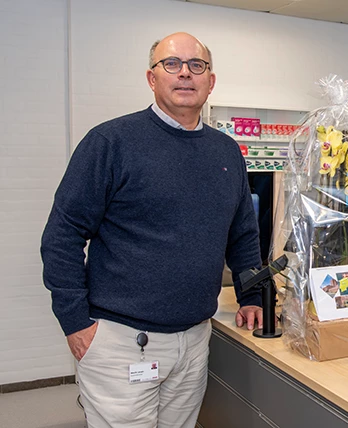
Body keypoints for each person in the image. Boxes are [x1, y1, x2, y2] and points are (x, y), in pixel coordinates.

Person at [40, 32, 264, 427]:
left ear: (210, 81)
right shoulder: (111, 142)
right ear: (152, 78)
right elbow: (63, 234)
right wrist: (75, 322)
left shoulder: (226, 151)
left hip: (194, 339)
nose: (185, 74)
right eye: (171, 64)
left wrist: (252, 295)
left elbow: (242, 233)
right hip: (120, 342)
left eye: (197, 65)